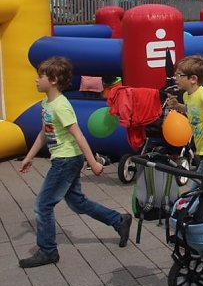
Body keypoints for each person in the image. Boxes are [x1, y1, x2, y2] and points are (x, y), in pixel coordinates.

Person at [17, 57, 132, 268]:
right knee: (78, 203)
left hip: (67, 160)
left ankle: (48, 251)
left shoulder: (61, 106)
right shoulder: (47, 103)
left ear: (52, 80)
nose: (36, 81)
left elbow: (78, 135)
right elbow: (44, 133)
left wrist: (93, 163)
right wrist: (28, 157)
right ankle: (119, 220)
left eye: (40, 76)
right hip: (64, 159)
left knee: (42, 205)